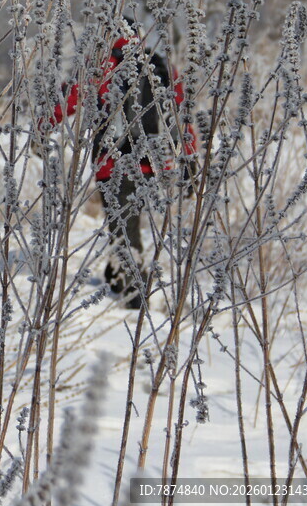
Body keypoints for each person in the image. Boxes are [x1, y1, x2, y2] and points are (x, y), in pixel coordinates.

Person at [37, 22, 197, 309]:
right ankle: (117, 276)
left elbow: (67, 99)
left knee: (124, 226)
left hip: (114, 161)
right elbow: (181, 115)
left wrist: (42, 128)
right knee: (127, 222)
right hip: (154, 161)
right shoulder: (161, 66)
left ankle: (135, 298)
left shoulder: (102, 65)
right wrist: (189, 161)